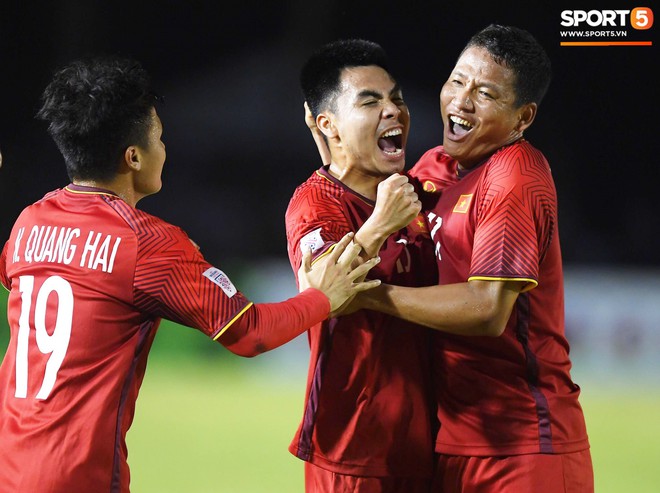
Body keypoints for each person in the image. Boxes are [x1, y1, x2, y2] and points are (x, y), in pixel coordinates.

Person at [0, 56, 382, 493]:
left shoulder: (30, 222)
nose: (165, 149)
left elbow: (21, 277)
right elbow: (251, 332)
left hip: (9, 469)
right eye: (159, 138)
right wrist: (323, 297)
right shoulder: (148, 243)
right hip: (77, 479)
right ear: (134, 157)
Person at [352, 24, 594, 492]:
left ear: (523, 118)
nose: (461, 102)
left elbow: (487, 309)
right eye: (458, 81)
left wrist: (372, 297)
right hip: (451, 442)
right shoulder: (433, 168)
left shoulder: (514, 178)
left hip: (523, 449)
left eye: (485, 93)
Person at [285, 39, 439, 493]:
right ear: (328, 125)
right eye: (370, 101)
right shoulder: (315, 203)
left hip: (432, 444)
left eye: (397, 98)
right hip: (355, 454)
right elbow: (321, 296)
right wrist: (379, 225)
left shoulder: (415, 197)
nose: (393, 110)